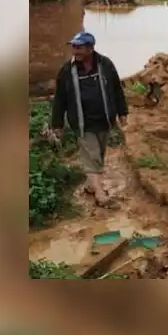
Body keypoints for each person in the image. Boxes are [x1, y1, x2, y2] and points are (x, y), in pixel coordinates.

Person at [50, 31, 128, 207]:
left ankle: (90, 185)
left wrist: (122, 113)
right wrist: (57, 124)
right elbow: (60, 98)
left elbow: (116, 89)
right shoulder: (67, 71)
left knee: (98, 154)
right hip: (82, 122)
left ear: (90, 48)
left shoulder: (105, 65)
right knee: (92, 155)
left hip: (105, 119)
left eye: (79, 47)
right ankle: (100, 194)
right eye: (74, 47)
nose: (75, 51)